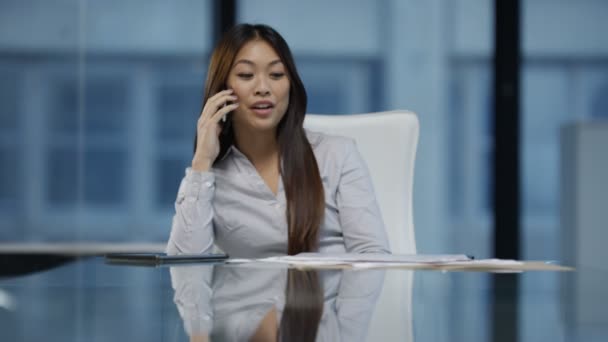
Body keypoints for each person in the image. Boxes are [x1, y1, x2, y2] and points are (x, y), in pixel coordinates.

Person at [166, 23, 389, 258]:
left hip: (328, 295)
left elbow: (373, 257)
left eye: (276, 75)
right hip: (243, 295)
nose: (263, 88)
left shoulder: (337, 155)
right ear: (222, 89)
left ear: (290, 84)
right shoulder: (210, 177)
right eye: (246, 75)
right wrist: (201, 162)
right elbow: (185, 267)